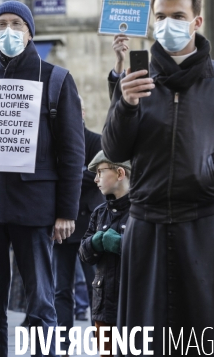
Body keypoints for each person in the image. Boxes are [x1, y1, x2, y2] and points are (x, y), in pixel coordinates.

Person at [103, 0, 214, 355]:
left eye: (178, 16)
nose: (167, 24)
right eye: (160, 16)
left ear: (197, 21)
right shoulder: (136, 78)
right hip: (148, 224)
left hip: (205, 224)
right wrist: (124, 104)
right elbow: (114, 147)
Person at [0, 0, 85, 356]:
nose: (8, 31)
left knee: (41, 305)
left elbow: (72, 152)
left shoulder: (56, 79)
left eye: (16, 24)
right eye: (1, 25)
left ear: (30, 32)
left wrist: (66, 212)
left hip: (34, 208)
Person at [52, 97, 102, 335]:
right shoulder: (54, 142)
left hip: (87, 224)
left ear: (82, 112)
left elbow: (97, 176)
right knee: (61, 287)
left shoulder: (96, 141)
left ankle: (100, 331)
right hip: (60, 223)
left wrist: (65, 178)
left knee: (95, 283)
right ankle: (63, 337)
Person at [79, 151, 131, 357]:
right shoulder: (99, 212)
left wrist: (121, 244)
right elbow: (84, 254)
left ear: (120, 173)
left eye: (100, 172)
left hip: (130, 305)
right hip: (103, 307)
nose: (95, 179)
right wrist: (93, 243)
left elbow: (150, 253)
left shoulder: (141, 211)